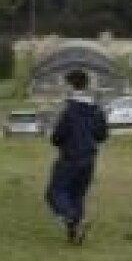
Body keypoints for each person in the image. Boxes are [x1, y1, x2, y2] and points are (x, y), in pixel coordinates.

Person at [45, 70, 108, 245]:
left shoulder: (69, 111)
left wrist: (61, 139)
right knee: (77, 196)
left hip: (70, 158)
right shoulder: (97, 110)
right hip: (89, 159)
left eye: (65, 85)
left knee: (54, 193)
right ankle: (74, 236)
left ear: (71, 86)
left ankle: (75, 221)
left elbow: (56, 138)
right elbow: (102, 136)